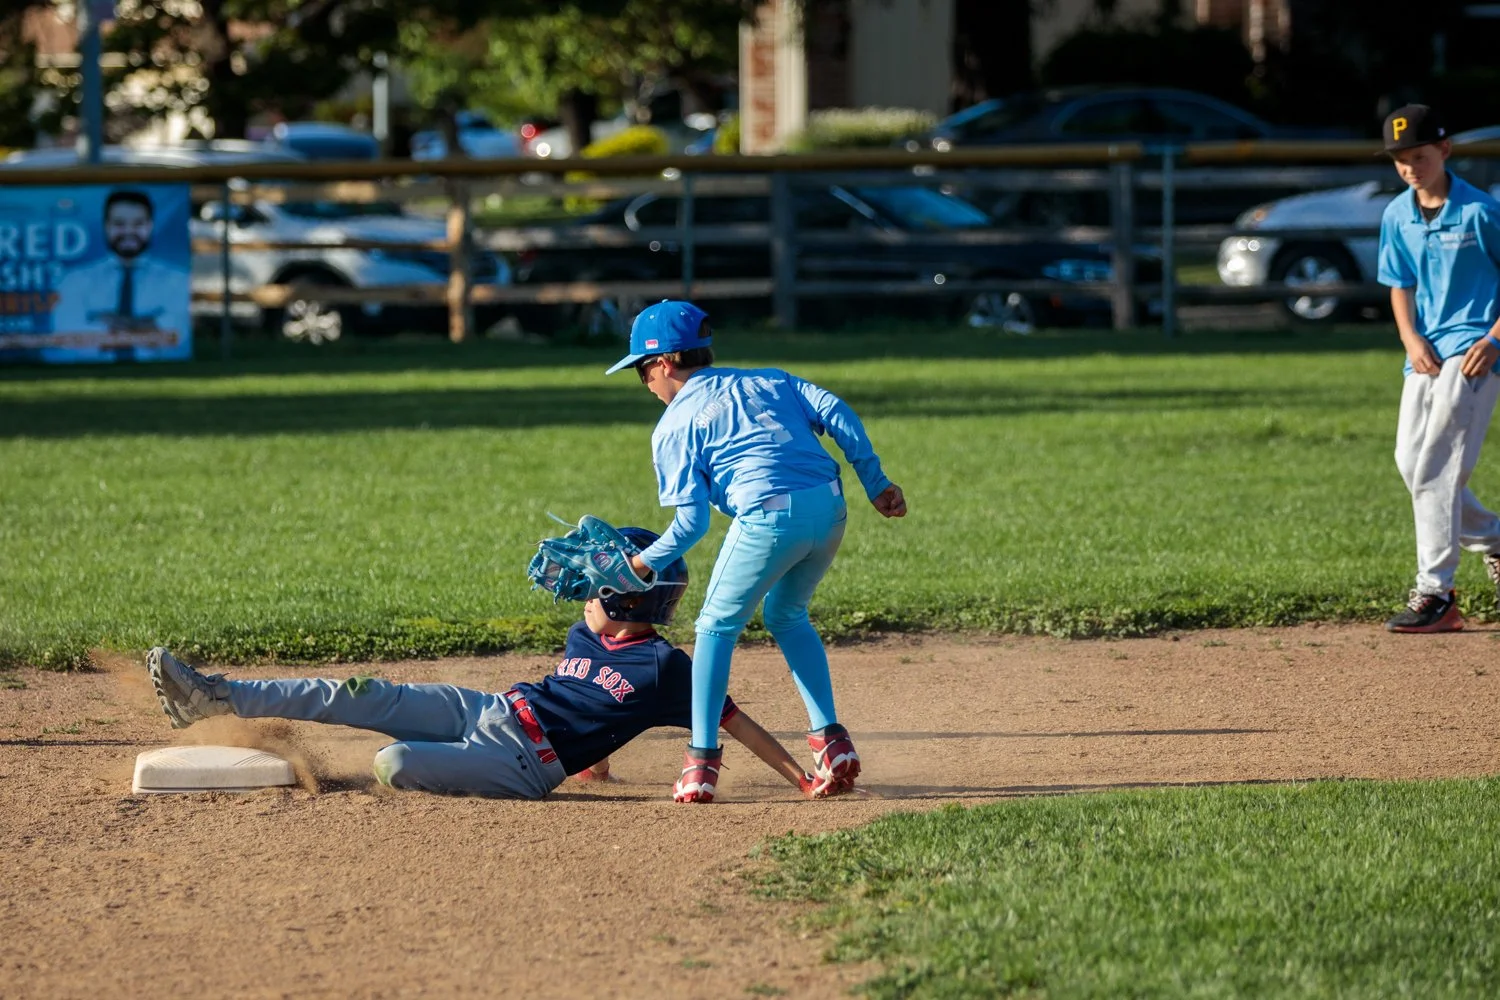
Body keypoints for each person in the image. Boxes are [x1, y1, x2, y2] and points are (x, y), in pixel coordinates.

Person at [144, 528, 831, 800]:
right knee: (359, 691)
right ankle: (214, 695)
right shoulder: (583, 635)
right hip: (490, 709)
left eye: (591, 580)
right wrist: (600, 764)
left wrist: (804, 780)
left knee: (395, 764)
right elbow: (591, 708)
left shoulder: (665, 667)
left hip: (522, 766)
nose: (577, 586)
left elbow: (734, 722)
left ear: (621, 597)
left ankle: (345, 778)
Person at [604, 300, 906, 803]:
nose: (646, 384)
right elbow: (834, 409)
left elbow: (690, 525)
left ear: (663, 363)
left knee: (714, 629)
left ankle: (700, 763)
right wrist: (875, 481)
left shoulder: (674, 426)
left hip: (768, 515)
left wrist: (638, 566)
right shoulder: (769, 379)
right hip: (830, 509)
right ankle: (830, 741)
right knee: (786, 614)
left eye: (641, 370)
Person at [1376, 104, 1500, 633]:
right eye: (1401, 159)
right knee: (1410, 462)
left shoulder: (1480, 211)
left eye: (1419, 156)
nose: (1410, 167)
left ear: (1445, 151)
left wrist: (1495, 339)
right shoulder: (1396, 214)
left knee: (1436, 467)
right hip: (1424, 354)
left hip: (1474, 350)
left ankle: (1437, 592)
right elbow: (1398, 283)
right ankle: (1495, 538)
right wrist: (1410, 338)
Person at [49, 188, 192, 363]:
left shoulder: (177, 280)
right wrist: (147, 325)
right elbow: (67, 335)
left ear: (150, 226)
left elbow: (177, 334)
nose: (128, 232)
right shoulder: (74, 280)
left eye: (138, 224)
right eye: (119, 224)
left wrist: (104, 322)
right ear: (106, 226)